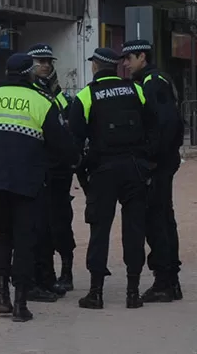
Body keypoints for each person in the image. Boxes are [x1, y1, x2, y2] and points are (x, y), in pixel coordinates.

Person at [0, 52, 75, 322]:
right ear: (28, 73)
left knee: (2, 235)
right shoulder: (42, 101)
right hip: (29, 182)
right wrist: (71, 162)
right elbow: (62, 144)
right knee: (24, 240)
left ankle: (1, 296)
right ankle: (20, 303)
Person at [69, 44, 158, 310]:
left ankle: (95, 293)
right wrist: (148, 162)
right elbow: (154, 126)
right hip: (135, 169)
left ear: (95, 66)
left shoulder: (86, 95)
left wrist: (80, 169)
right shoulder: (136, 89)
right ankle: (133, 292)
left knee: (100, 230)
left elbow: (74, 141)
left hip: (102, 171)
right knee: (134, 229)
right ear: (116, 67)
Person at [133, 43, 184, 304]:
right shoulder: (156, 80)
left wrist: (151, 160)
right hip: (165, 161)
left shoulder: (152, 83)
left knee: (157, 220)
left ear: (143, 57)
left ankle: (165, 280)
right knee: (163, 218)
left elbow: (165, 123)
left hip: (159, 165)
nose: (126, 64)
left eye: (129, 58)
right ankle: (169, 280)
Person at [28, 43, 76, 295]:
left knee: (61, 221)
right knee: (38, 224)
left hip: (59, 169)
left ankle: (66, 271)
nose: (45, 65)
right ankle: (44, 275)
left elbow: (69, 125)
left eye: (48, 61)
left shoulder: (59, 94)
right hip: (36, 166)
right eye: (40, 61)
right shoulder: (28, 92)